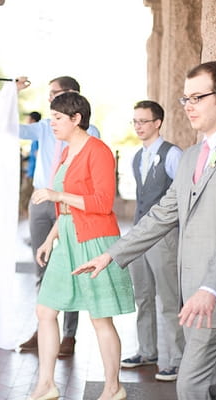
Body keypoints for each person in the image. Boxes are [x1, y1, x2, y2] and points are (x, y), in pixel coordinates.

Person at [74, 61, 216, 400]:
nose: (189, 106)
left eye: (198, 97)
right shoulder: (193, 154)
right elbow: (161, 214)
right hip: (192, 293)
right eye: (185, 99)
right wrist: (112, 253)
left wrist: (211, 288)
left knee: (192, 384)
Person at [28, 91, 133, 400]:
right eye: (51, 118)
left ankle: (113, 388)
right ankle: (46, 384)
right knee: (45, 310)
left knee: (100, 317)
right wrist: (50, 238)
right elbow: (66, 209)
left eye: (58, 118)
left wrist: (56, 196)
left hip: (96, 239)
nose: (52, 124)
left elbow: (102, 203)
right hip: (69, 238)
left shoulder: (98, 150)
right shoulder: (65, 152)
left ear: (76, 118)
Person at [16, 76, 100, 357]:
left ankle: (69, 335)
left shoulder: (92, 133)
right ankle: (43, 329)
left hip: (70, 203)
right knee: (42, 266)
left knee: (71, 267)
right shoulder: (42, 128)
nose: (50, 97)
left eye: (56, 93)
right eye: (49, 93)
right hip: (41, 200)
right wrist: (10, 95)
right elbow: (9, 128)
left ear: (72, 95)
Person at [120, 100, 185, 382]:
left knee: (169, 299)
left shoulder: (173, 155)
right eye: (135, 121)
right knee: (143, 296)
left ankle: (178, 359)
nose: (138, 126)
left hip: (164, 236)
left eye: (143, 121)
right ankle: (147, 351)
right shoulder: (137, 156)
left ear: (157, 122)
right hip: (139, 234)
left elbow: (184, 196)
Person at [19, 111, 41, 219]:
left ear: (32, 120)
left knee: (25, 194)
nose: (27, 121)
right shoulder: (34, 138)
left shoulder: (37, 137)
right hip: (31, 170)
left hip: (33, 172)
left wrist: (31, 172)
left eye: (28, 118)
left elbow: (38, 155)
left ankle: (27, 215)